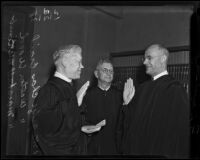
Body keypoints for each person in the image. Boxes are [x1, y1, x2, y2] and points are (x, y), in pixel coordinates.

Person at [120, 44, 190, 158]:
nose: (144, 62)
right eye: (144, 59)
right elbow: (133, 125)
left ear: (163, 59)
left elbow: (180, 134)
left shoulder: (175, 90)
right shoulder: (142, 88)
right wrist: (127, 104)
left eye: (149, 58)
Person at [31, 44, 90, 155]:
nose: (82, 66)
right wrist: (75, 104)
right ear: (64, 62)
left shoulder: (68, 88)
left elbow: (67, 123)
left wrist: (82, 127)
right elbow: (47, 135)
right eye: (78, 62)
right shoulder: (49, 91)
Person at [82, 58, 134, 155]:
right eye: (105, 70)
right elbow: (81, 120)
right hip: (92, 147)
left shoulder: (121, 95)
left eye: (111, 71)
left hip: (114, 147)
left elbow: (126, 123)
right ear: (96, 74)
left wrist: (127, 104)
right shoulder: (86, 95)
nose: (109, 73)